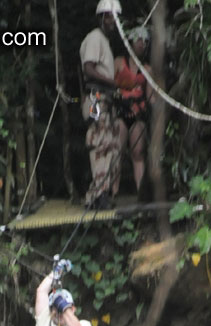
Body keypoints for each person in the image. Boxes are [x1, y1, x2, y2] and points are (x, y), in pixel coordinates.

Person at [79, 0, 128, 209]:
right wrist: (114, 83)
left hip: (105, 99)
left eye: (115, 18)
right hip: (96, 98)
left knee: (108, 144)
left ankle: (101, 194)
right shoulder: (94, 38)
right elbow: (88, 69)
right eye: (109, 17)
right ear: (101, 18)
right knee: (99, 143)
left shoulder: (105, 42)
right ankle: (96, 196)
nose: (113, 22)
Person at [114, 26, 153, 197]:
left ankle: (141, 193)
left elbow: (151, 96)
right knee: (118, 151)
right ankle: (112, 192)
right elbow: (109, 86)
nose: (142, 44)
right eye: (139, 40)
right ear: (131, 42)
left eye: (145, 41)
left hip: (138, 115)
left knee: (138, 153)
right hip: (121, 113)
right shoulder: (118, 63)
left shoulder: (147, 69)